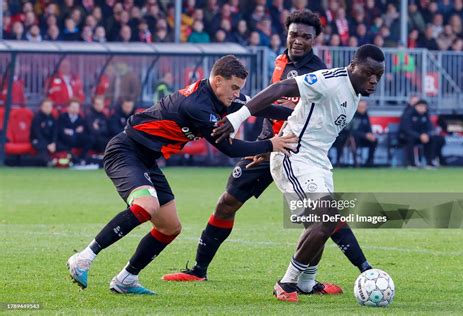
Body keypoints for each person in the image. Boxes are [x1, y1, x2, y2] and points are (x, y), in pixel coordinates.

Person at [162, 11, 373, 296]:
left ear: (315, 41)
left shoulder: (318, 72)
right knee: (227, 203)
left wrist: (275, 138)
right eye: (294, 34)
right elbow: (269, 102)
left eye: (305, 37)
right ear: (287, 34)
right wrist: (262, 141)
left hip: (292, 148)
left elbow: (299, 113)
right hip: (266, 146)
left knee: (324, 213)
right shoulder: (280, 60)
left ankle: (354, 272)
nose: (298, 41)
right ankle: (199, 270)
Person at [66, 55, 297, 295]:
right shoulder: (198, 107)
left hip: (146, 159)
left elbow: (257, 106)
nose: (237, 94)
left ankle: (126, 278)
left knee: (170, 227)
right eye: (234, 88)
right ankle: (83, 258)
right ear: (218, 81)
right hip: (125, 151)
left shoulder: (217, 96)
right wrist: (271, 144)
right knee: (146, 206)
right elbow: (229, 148)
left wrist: (296, 112)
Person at [212, 44, 385, 302]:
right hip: (294, 157)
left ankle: (306, 282)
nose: (373, 80)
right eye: (368, 73)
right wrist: (237, 118)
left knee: (319, 222)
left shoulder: (355, 92)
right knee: (325, 217)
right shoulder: (329, 80)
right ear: (353, 66)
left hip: (318, 161)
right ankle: (287, 282)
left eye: (378, 76)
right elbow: (280, 88)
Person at [399, 99, 443, 167]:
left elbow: (430, 128)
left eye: (424, 107)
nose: (422, 108)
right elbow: (406, 129)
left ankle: (430, 162)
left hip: (423, 137)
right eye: (421, 106)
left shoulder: (426, 115)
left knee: (435, 139)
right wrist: (419, 136)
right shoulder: (408, 114)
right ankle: (411, 163)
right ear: (416, 106)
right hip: (409, 136)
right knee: (410, 140)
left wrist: (427, 135)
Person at [56, 98, 91, 163]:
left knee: (89, 139)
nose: (75, 109)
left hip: (77, 139)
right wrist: (74, 131)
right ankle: (73, 159)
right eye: (73, 107)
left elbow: (85, 130)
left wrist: (72, 131)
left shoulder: (81, 118)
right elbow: (60, 130)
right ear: (68, 108)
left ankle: (82, 158)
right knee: (67, 138)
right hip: (65, 140)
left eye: (77, 107)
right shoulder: (62, 117)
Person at [349, 100, 378, 166]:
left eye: (364, 107)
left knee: (374, 141)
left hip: (364, 138)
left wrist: (370, 135)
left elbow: (369, 127)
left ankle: (370, 162)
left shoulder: (366, 116)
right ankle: (355, 162)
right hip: (355, 139)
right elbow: (352, 131)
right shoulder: (353, 116)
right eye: (361, 107)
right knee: (353, 139)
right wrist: (365, 135)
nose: (363, 108)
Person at [30, 99, 57, 166]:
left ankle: (74, 161)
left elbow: (55, 132)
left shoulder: (53, 118)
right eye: (46, 106)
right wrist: (47, 145)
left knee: (61, 145)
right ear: (41, 107)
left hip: (49, 141)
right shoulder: (37, 118)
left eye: (50, 106)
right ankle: (49, 162)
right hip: (37, 140)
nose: (48, 108)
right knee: (42, 146)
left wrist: (53, 142)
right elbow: (37, 133)